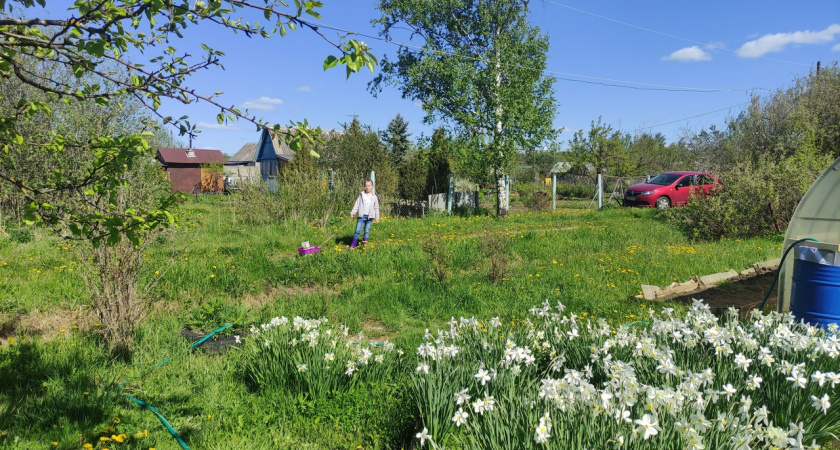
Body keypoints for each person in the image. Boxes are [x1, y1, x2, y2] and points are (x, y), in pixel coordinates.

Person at [349, 179, 380, 248]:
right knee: (357, 231)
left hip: (370, 217)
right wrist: (353, 212)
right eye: (366, 186)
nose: (367, 187)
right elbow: (357, 204)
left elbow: (376, 207)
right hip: (361, 216)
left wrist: (377, 218)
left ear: (372, 186)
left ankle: (364, 246)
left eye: (369, 186)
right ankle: (352, 246)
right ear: (364, 187)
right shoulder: (361, 195)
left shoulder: (374, 197)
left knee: (366, 231)